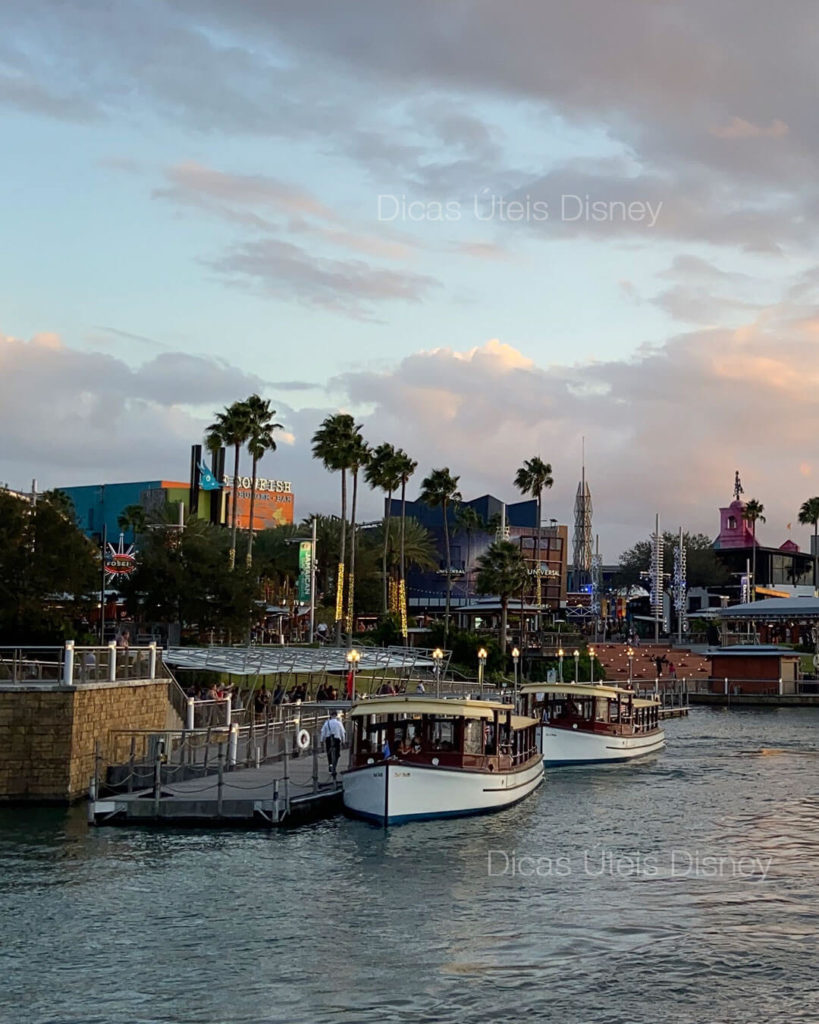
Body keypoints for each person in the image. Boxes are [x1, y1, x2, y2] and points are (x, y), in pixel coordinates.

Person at [319, 710, 346, 778]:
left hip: (328, 739)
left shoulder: (327, 723)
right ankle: (334, 766)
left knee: (329, 753)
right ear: (336, 716)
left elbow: (323, 732)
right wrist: (343, 741)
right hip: (337, 739)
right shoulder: (339, 723)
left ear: (330, 716)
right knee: (337, 754)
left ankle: (330, 765)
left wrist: (321, 740)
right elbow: (342, 732)